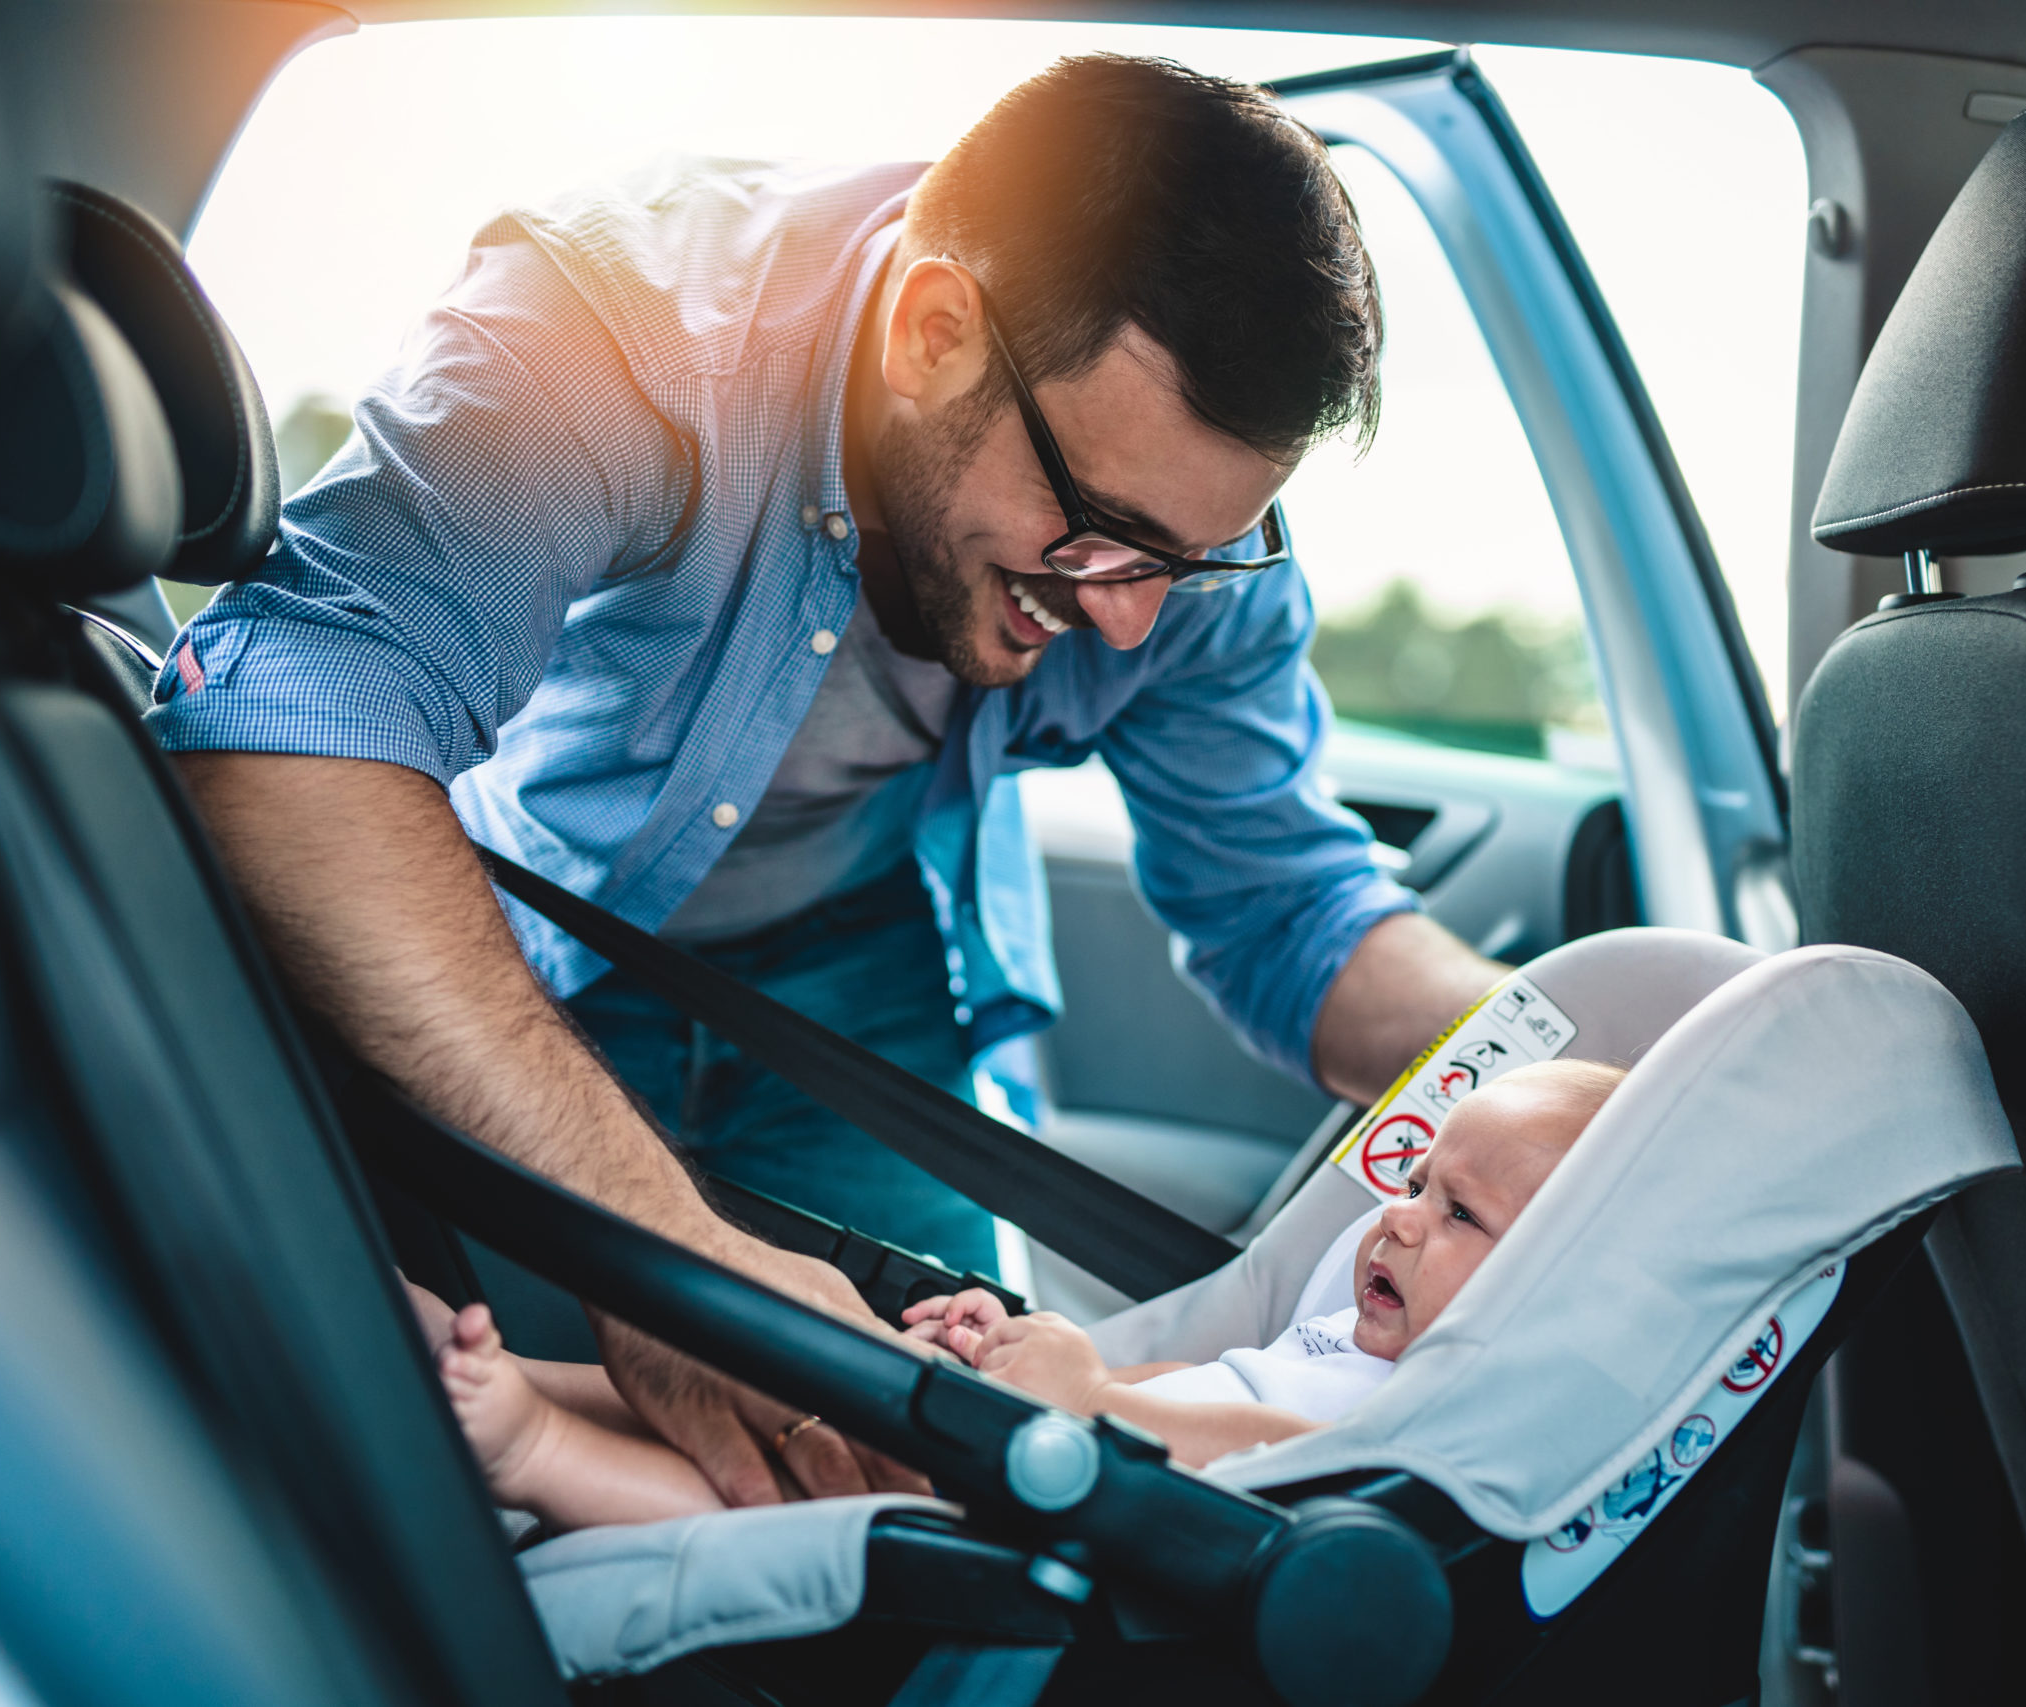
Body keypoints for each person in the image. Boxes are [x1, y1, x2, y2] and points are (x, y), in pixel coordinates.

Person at [152, 53, 1507, 1508]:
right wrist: (675, 1258)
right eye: (1104, 532)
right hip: (500, 954)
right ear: (933, 333)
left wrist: (1593, 1088)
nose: (1131, 618)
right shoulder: (622, 332)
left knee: (961, 1484)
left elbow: (1292, 910)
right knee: (422, 1459)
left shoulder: (1182, 556)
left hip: (860, 971)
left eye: (1186, 557)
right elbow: (284, 730)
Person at [415, 1059, 1623, 1531]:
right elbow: (1182, 1387)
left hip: (1082, 1524)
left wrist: (1086, 1398)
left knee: (818, 1486)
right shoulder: (1342, 1336)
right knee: (804, 1374)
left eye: (1459, 1215)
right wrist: (1027, 1356)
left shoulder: (1419, 1420)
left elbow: (1257, 1442)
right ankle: (522, 1376)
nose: (1399, 1216)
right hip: (1057, 1447)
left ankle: (538, 1456)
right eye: (1413, 1179)